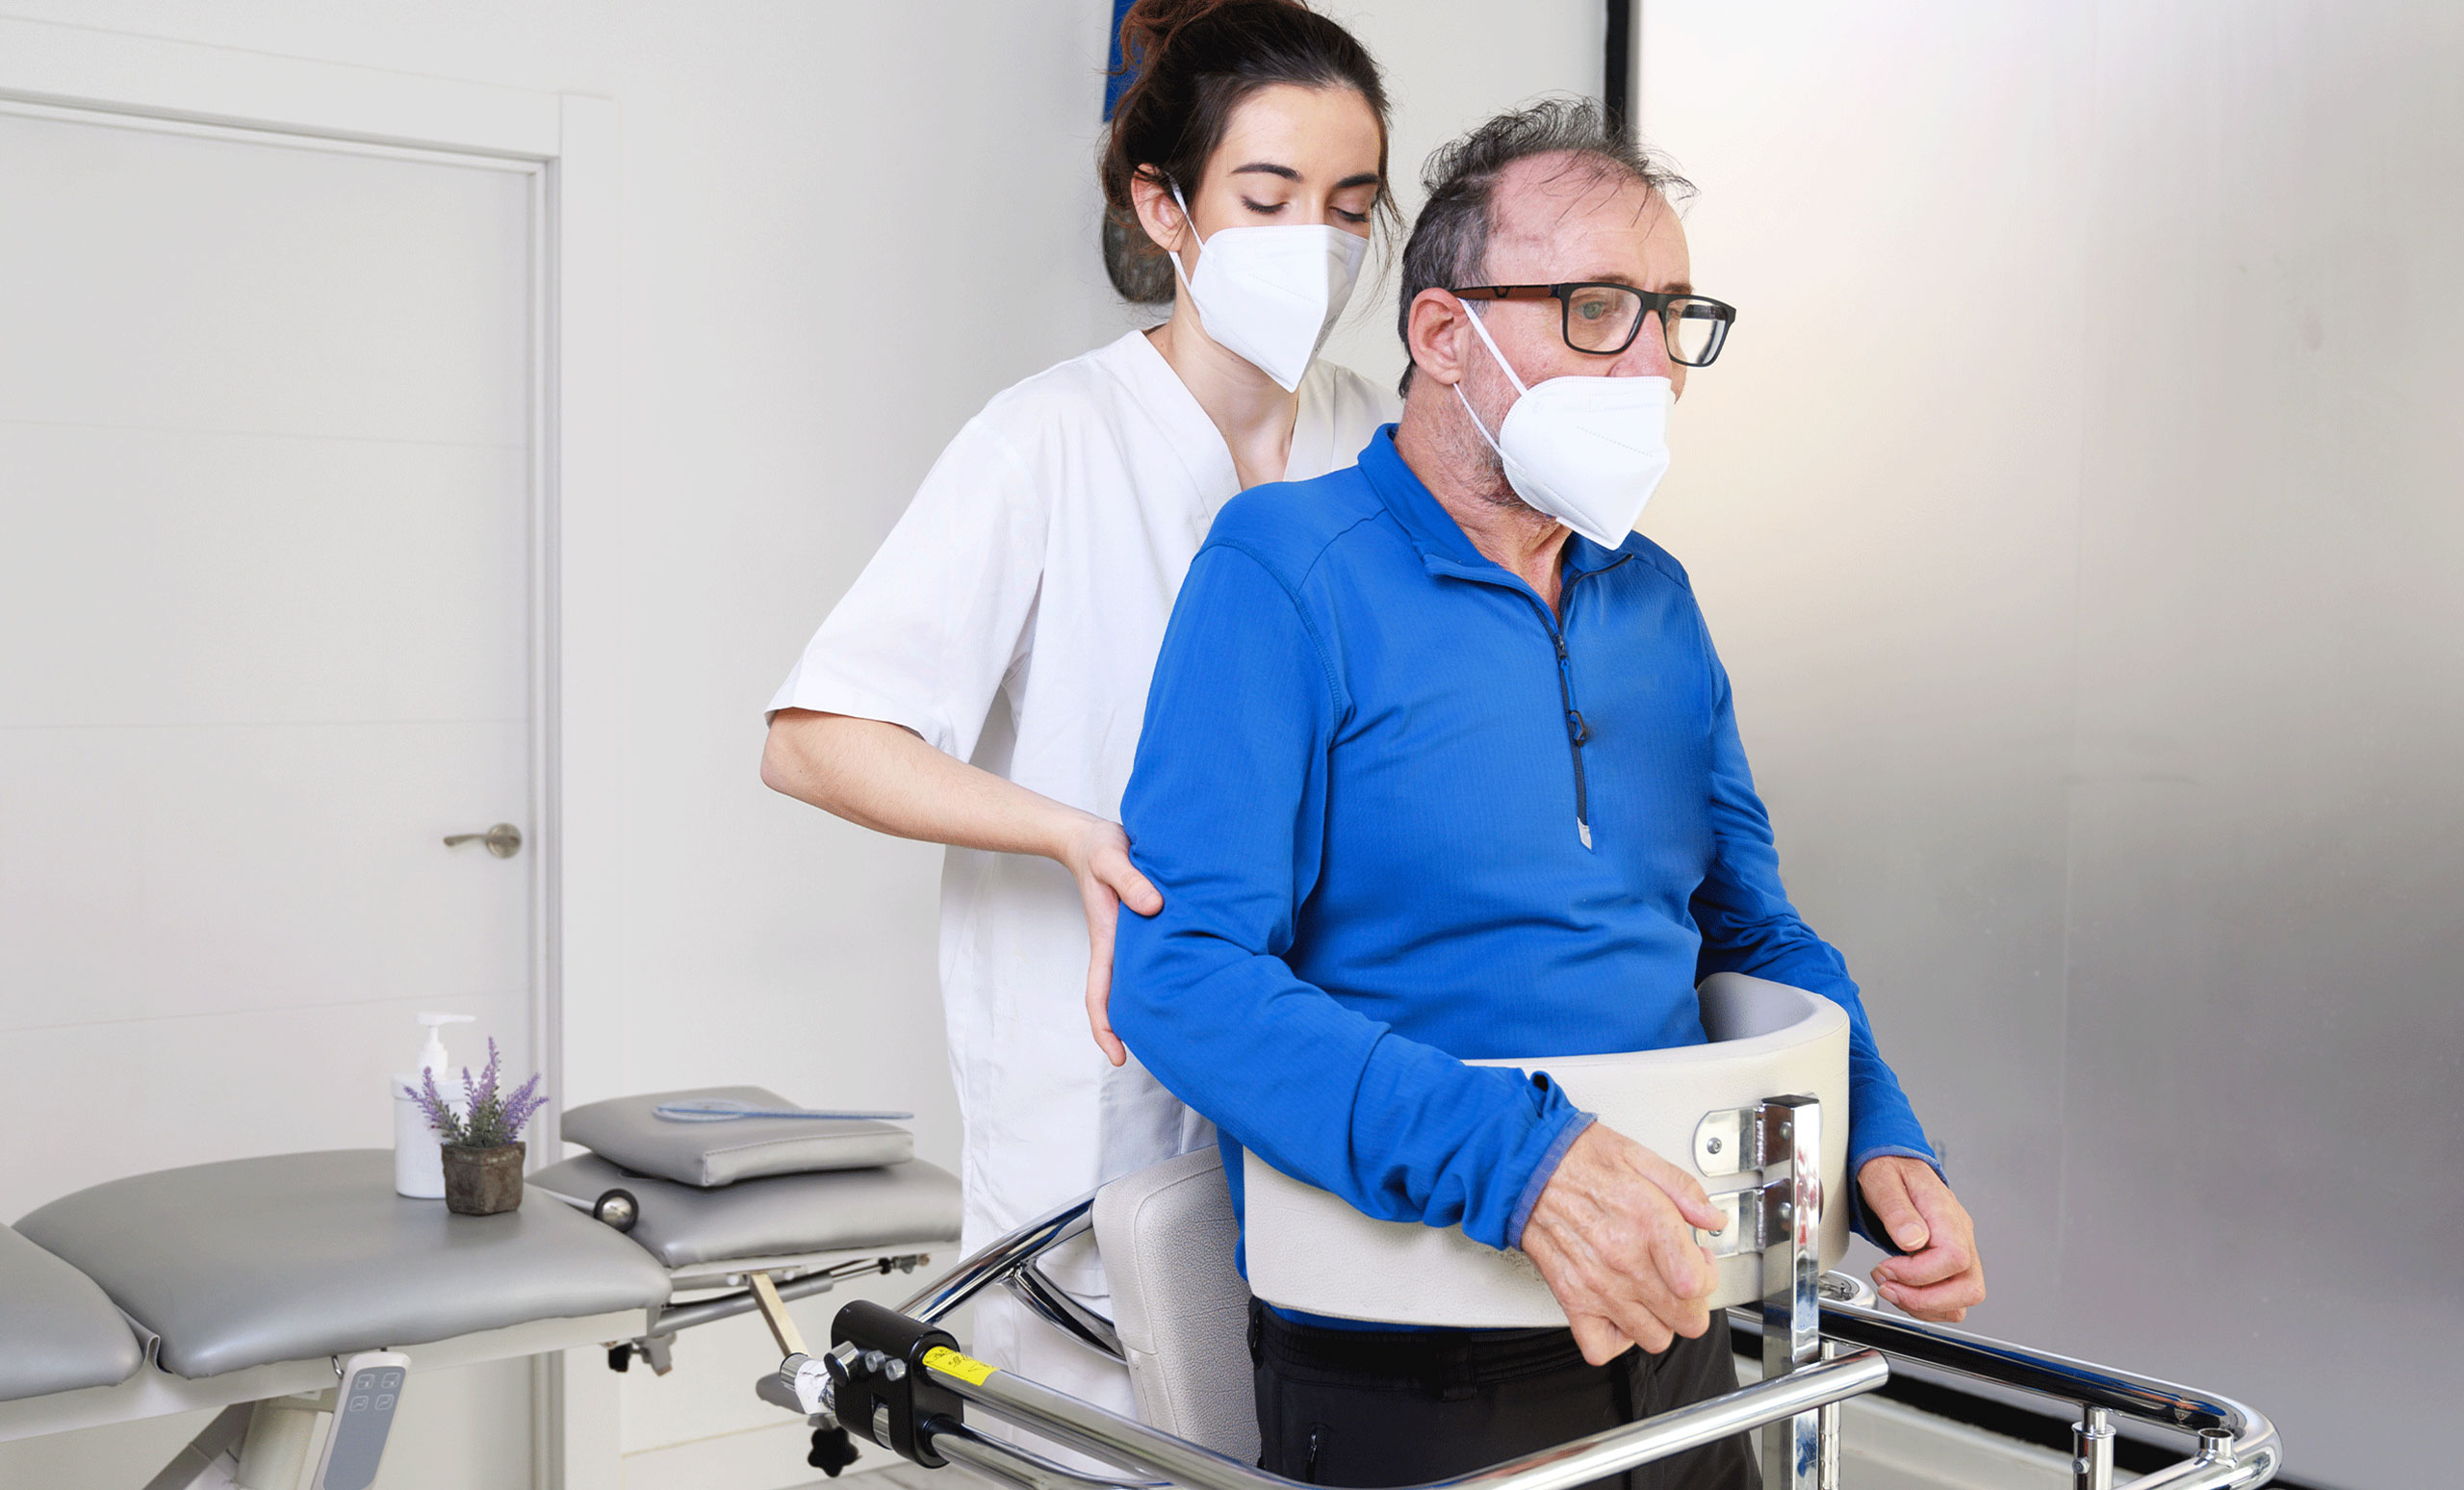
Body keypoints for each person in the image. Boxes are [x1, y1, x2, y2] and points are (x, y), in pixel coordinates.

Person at [1110, 99, 1988, 1489]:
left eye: (1671, 315)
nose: (1649, 363)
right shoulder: (1287, 567)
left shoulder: (1656, 601)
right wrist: (1520, 1163)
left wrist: (1878, 1130)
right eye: (1593, 311)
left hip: (1677, 1312)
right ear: (1444, 336)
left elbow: (1748, 931)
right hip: (1421, 1347)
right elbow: (1182, 976)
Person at [758, 0, 1399, 1446]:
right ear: (1161, 205)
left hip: (1328, 1055)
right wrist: (1068, 833)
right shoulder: (1047, 439)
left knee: (1299, 1433)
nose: (1320, 242)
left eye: (1352, 207)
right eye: (1269, 197)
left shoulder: (1381, 440)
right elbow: (812, 735)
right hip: (1094, 1071)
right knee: (1094, 1434)